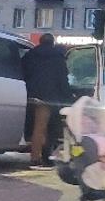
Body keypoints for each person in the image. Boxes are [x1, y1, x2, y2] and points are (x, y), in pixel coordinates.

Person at [21, 33, 73, 167]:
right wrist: (68, 98)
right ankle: (36, 157)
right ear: (52, 43)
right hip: (47, 98)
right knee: (42, 127)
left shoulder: (30, 55)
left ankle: (38, 153)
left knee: (34, 126)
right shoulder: (57, 58)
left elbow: (23, 72)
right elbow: (62, 80)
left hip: (27, 94)